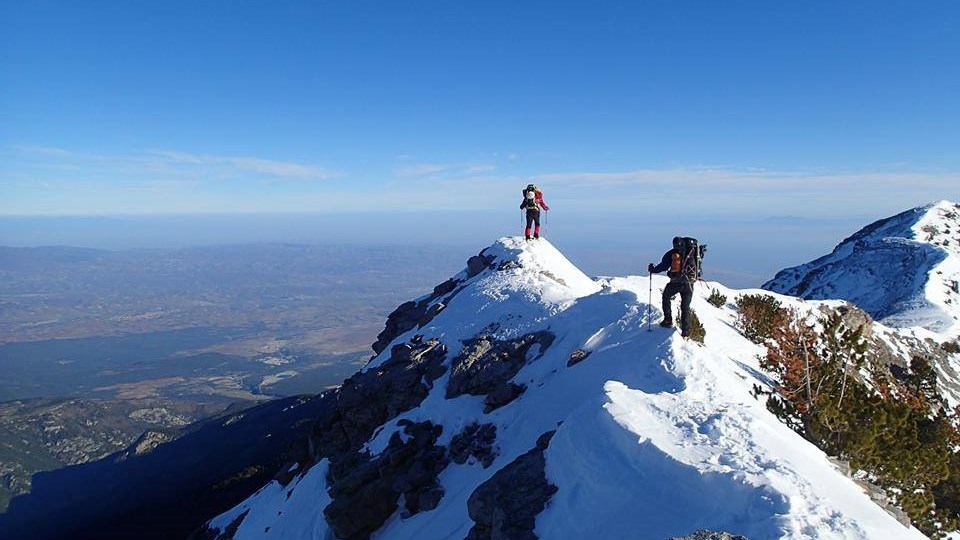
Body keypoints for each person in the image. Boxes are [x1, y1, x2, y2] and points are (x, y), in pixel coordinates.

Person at [648, 237, 694, 337]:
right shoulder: (691, 253)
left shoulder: (672, 253)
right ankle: (686, 332)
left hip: (676, 282)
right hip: (690, 284)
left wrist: (653, 269)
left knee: (666, 296)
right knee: (685, 307)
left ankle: (668, 320)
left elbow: (663, 266)